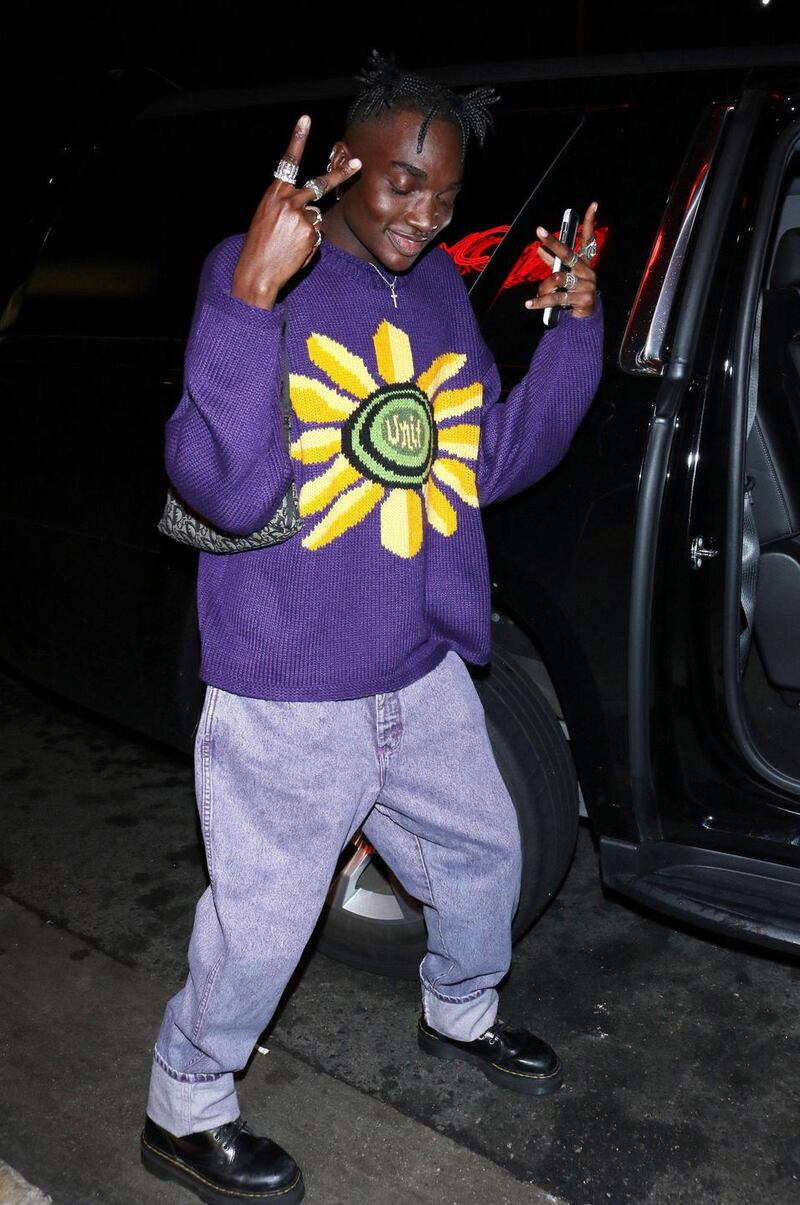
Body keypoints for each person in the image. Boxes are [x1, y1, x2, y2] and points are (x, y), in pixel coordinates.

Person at [139, 50, 602, 1205]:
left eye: (444, 194)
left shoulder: (435, 286)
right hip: (289, 684)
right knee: (263, 920)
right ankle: (184, 1104)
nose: (424, 215)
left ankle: (459, 1010)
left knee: (484, 854)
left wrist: (573, 332)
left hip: (419, 663)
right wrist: (249, 298)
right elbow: (222, 487)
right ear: (343, 164)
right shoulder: (258, 273)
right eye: (402, 183)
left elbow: (484, 460)